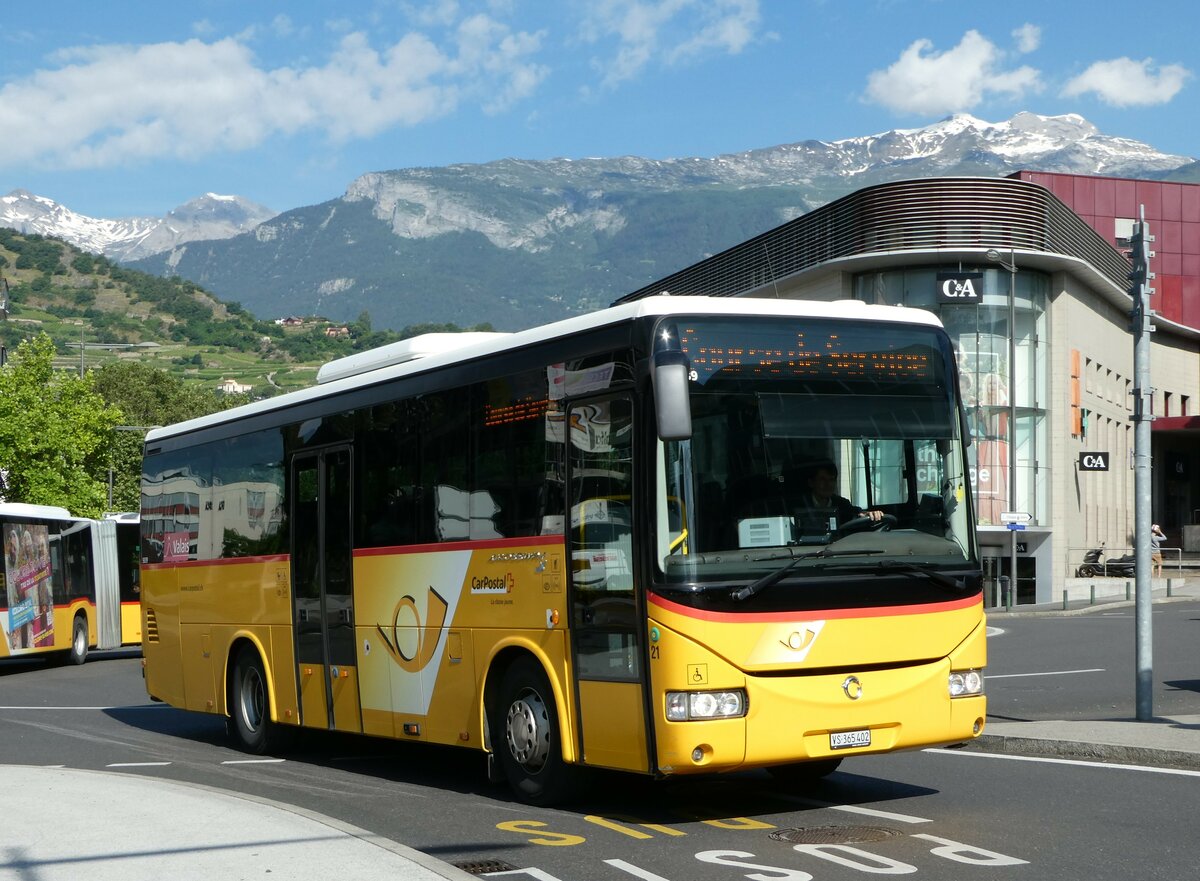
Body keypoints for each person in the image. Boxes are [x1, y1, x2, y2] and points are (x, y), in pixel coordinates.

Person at [792, 461, 884, 536]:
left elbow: (857, 514)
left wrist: (869, 514)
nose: (828, 485)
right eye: (822, 480)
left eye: (831, 480)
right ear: (811, 483)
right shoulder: (797, 505)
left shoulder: (842, 504)